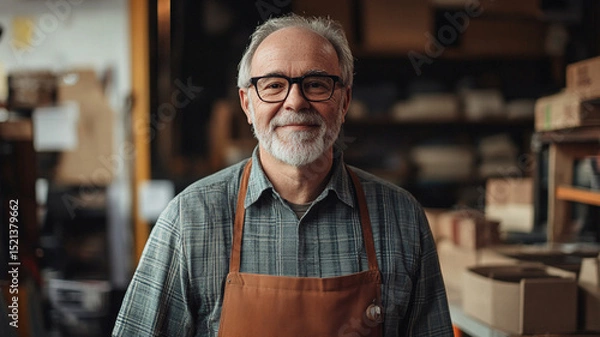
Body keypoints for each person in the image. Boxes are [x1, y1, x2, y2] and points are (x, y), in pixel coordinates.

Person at [113, 14, 453, 337]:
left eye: (316, 84)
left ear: (345, 101)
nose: (295, 102)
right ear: (247, 104)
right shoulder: (190, 219)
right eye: (274, 85)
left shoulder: (402, 218)